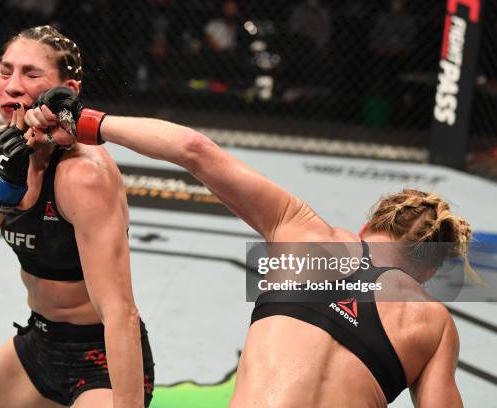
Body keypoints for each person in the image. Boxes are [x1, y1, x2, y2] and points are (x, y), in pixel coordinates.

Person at [26, 96, 480, 407]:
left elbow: (193, 150)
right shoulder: (433, 322)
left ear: (368, 226)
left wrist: (85, 120)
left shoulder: (302, 231)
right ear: (428, 271)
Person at [0, 26, 154, 408]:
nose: (13, 86)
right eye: (5, 71)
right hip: (38, 345)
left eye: (31, 74)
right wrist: (1, 195)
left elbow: (120, 312)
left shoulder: (84, 175)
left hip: (100, 359)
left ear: (66, 90)